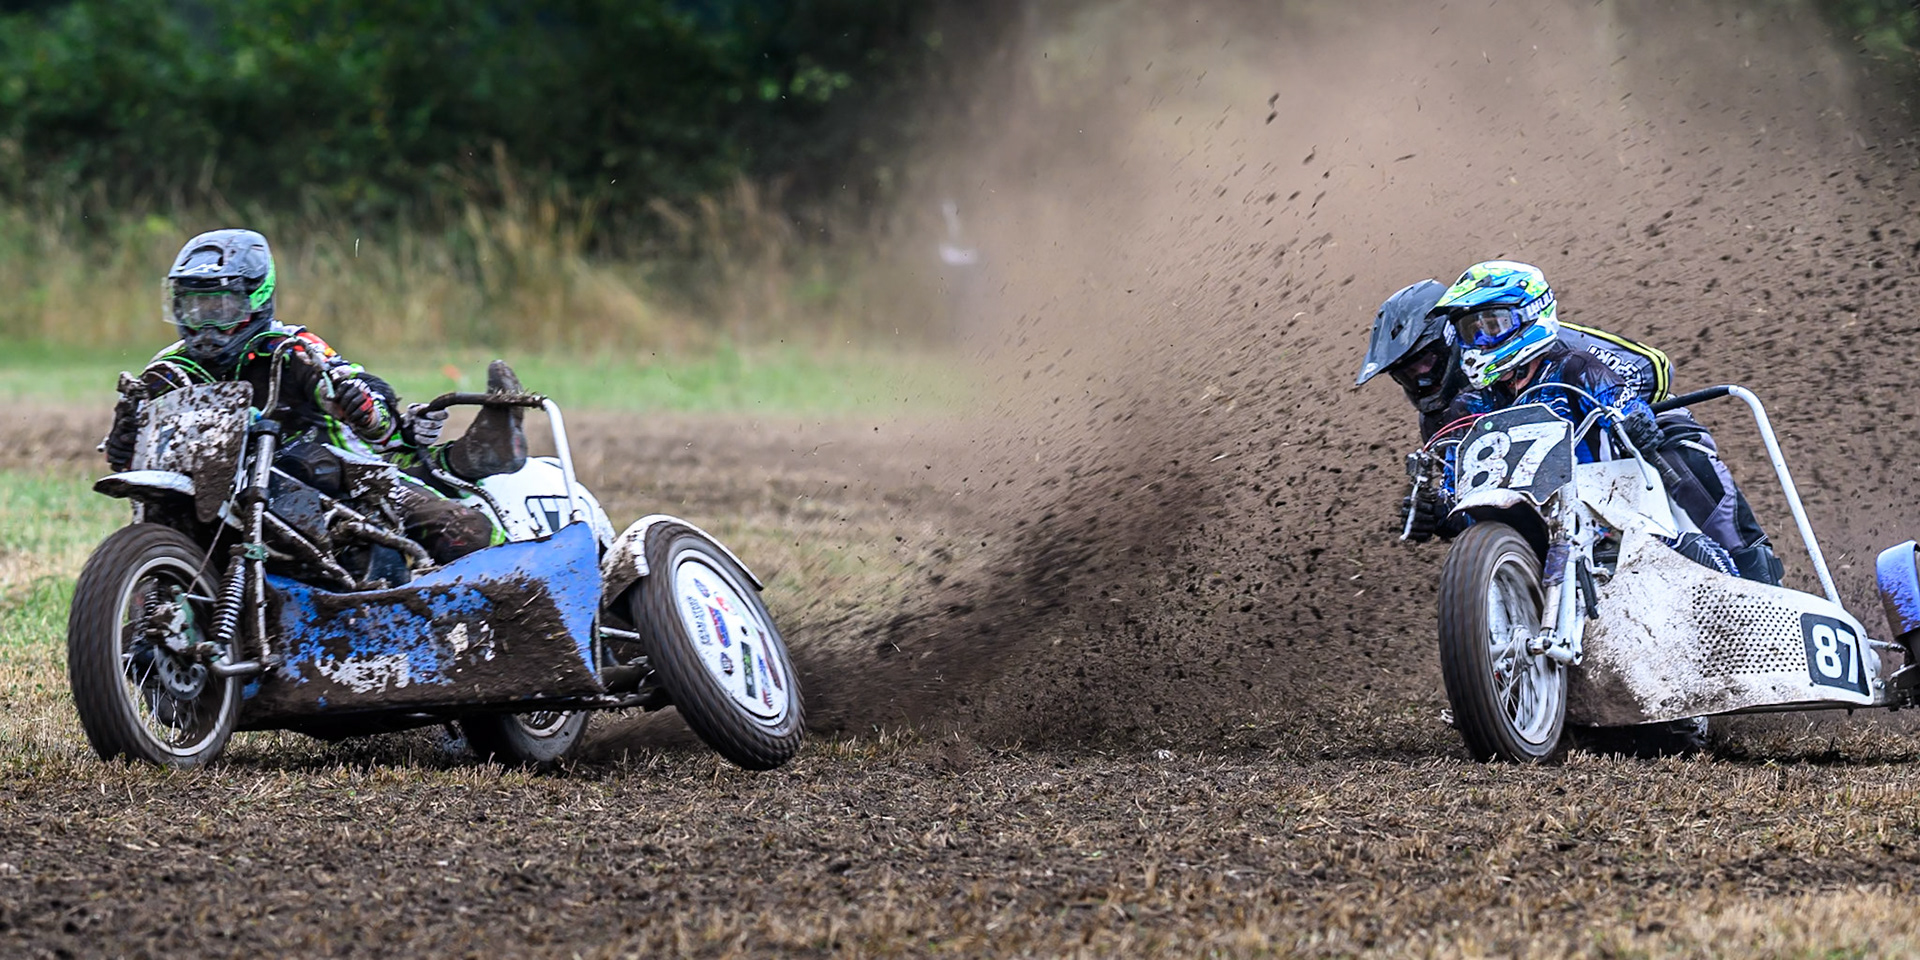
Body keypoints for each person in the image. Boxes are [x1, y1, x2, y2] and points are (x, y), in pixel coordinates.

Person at [101, 228, 527, 564]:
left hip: (340, 480)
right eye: (193, 308)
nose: (205, 327)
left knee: (462, 531)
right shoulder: (168, 370)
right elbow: (130, 462)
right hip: (222, 492)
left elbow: (377, 422)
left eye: (221, 309)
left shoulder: (293, 349)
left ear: (256, 298)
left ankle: (514, 577)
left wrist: (360, 408)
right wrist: (125, 438)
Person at [1360, 265, 1782, 585]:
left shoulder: (1566, 352)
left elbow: (1656, 369)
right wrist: (1440, 515)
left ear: (1447, 338)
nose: (1420, 378)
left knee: (1684, 460)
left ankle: (1756, 572)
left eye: (1426, 361)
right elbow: (1473, 495)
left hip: (1628, 431)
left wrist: (1627, 414)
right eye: (1405, 373)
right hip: (1550, 495)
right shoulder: (1449, 414)